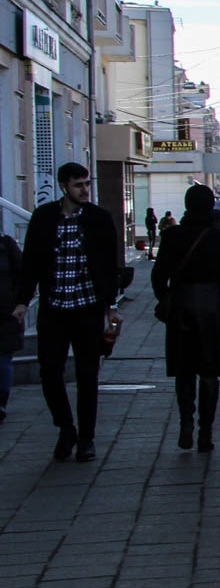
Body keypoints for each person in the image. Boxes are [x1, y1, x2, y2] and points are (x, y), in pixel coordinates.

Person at [13, 163, 123, 463]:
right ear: (64, 187)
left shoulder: (99, 219)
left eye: (87, 184)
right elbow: (32, 262)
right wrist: (22, 301)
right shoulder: (45, 218)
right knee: (49, 371)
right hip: (55, 309)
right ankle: (65, 427)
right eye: (78, 185)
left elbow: (109, 265)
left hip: (88, 309)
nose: (84, 190)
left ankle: (87, 439)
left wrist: (112, 306)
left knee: (88, 376)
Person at [152, 184, 220, 452]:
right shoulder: (218, 237)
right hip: (212, 307)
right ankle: (206, 431)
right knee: (209, 372)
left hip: (182, 305)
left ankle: (185, 424)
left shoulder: (173, 236)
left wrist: (166, 299)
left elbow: (158, 275)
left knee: (184, 369)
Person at [0, 232, 21, 422]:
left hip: (5, 312)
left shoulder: (6, 245)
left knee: (3, 357)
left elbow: (21, 273)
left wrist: (19, 303)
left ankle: (1, 402)